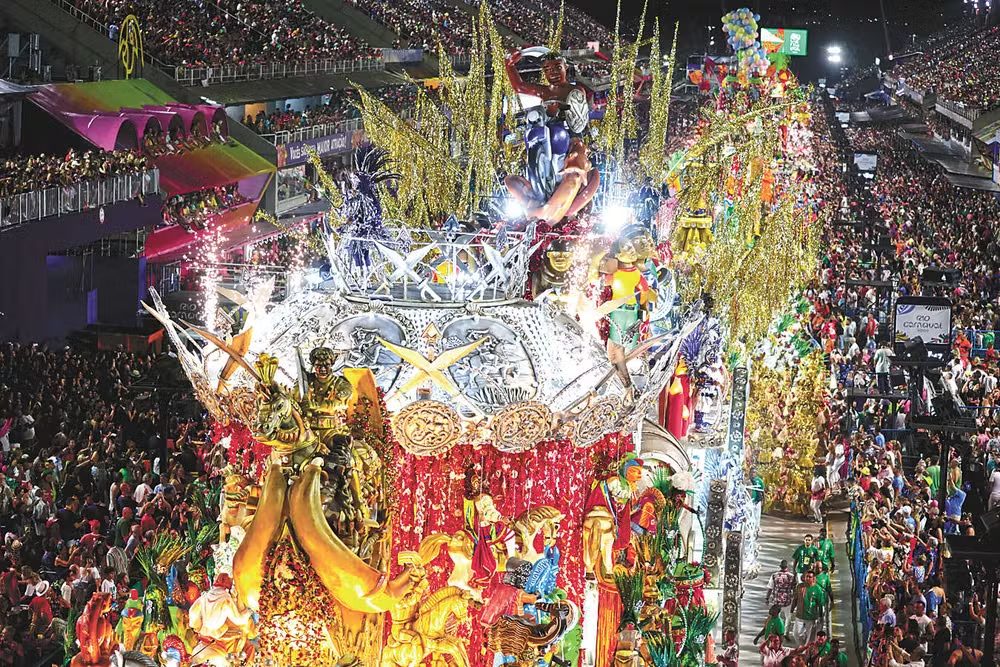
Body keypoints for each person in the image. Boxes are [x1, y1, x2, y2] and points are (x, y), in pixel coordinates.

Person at [790, 570, 826, 645]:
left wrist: (820, 617)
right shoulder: (800, 587)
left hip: (811, 617)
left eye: (810, 577)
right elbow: (795, 599)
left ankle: (806, 649)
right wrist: (791, 610)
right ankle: (802, 646)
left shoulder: (818, 589)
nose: (807, 578)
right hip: (800, 615)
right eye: (806, 576)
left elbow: (820, 604)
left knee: (810, 637)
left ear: (813, 578)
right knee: (796, 634)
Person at [765, 559, 796, 633]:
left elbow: (770, 588)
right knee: (788, 617)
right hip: (787, 601)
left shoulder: (774, 575)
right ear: (787, 567)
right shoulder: (791, 576)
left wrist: (767, 598)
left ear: (780, 566)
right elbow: (794, 589)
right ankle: (785, 632)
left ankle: (776, 630)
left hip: (777, 601)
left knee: (776, 617)